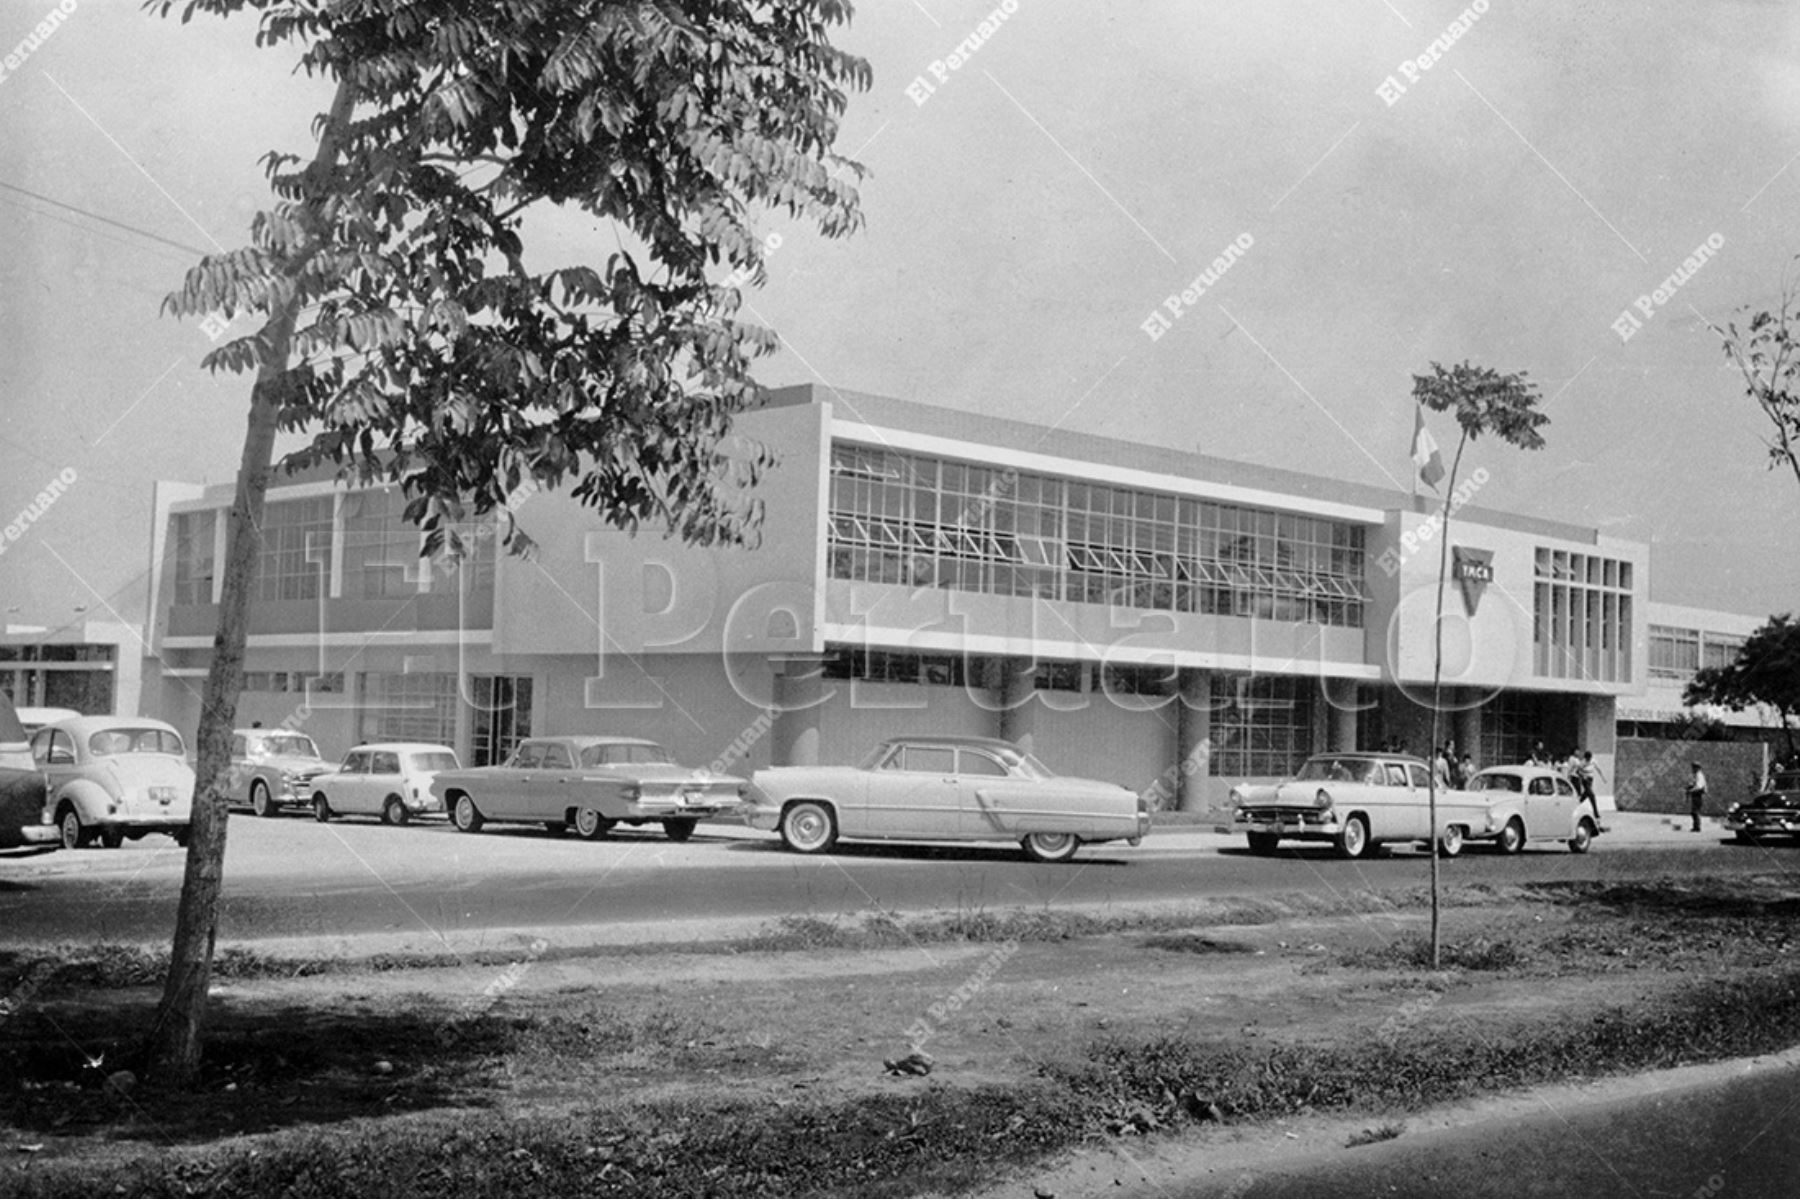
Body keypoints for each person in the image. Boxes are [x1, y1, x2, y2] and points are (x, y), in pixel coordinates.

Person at [1686, 762, 1708, 833]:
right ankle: (1695, 826)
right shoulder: (1696, 775)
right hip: (1695, 795)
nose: (1692, 769)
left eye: (1694, 767)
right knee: (1694, 811)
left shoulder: (1699, 775)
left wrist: (1691, 790)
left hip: (1697, 795)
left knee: (1695, 811)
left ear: (1697, 768)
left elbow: (1699, 786)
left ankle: (1697, 827)